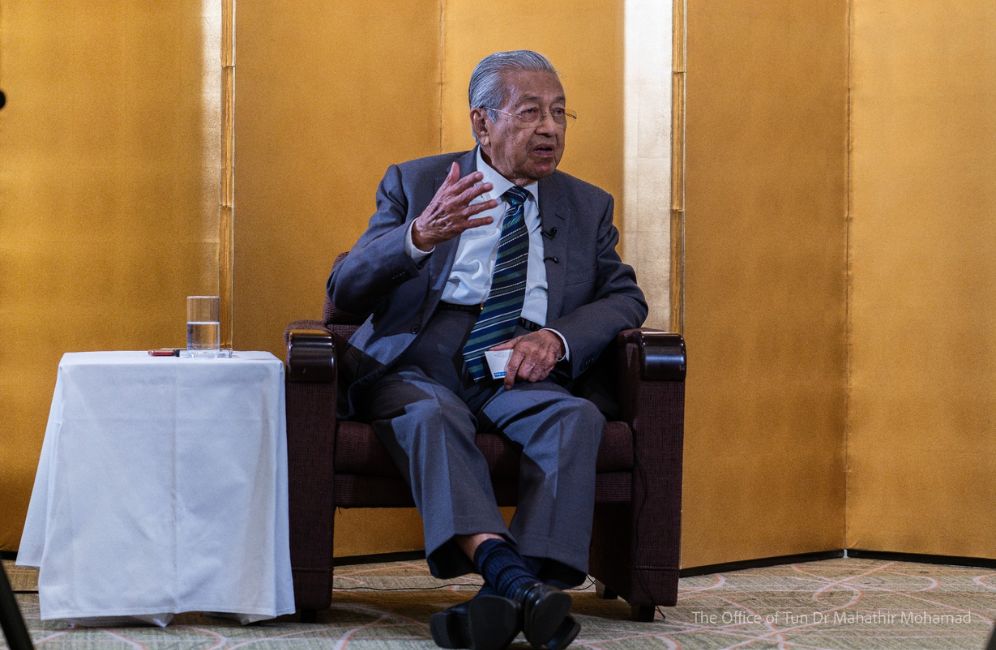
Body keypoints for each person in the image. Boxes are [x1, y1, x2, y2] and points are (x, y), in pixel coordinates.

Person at [328, 50, 647, 650]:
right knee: (431, 414)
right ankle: (519, 583)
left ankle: (505, 589)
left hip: (518, 361)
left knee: (574, 418)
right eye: (530, 113)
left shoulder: (587, 205)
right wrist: (419, 236)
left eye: (559, 113)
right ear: (482, 122)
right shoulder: (417, 182)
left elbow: (625, 297)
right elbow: (344, 292)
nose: (549, 129)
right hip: (420, 359)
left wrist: (556, 338)